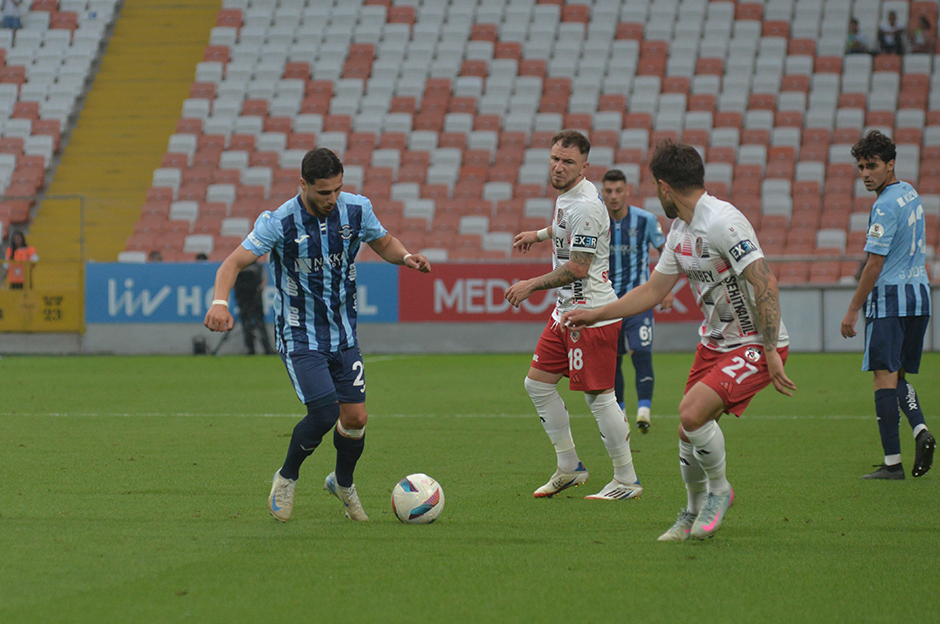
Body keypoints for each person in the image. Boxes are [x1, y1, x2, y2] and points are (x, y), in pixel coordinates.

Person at [563, 140, 796, 541]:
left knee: (691, 414)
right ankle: (690, 511)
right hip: (714, 343)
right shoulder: (680, 229)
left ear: (664, 186)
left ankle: (720, 492)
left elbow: (765, 281)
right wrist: (595, 314)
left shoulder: (723, 221)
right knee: (687, 431)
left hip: (755, 342)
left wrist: (772, 350)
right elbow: (653, 291)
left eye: (656, 186)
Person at [204, 148, 431, 522]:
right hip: (299, 334)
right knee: (325, 411)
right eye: (324, 192)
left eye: (337, 190)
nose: (332, 199)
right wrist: (219, 302)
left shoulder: (356, 209)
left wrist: (406, 257)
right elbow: (233, 262)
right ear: (303, 185)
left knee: (356, 418)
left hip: (344, 333)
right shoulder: (278, 222)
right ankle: (287, 476)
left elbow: (383, 241)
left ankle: (342, 484)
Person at [505, 130, 642, 501]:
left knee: (599, 398)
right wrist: (538, 233)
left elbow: (579, 268)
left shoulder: (586, 206)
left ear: (585, 166)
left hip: (591, 314)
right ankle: (569, 468)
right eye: (554, 158)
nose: (558, 166)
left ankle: (626, 480)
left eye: (567, 162)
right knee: (536, 384)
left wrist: (532, 283)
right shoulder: (569, 198)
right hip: (564, 313)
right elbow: (564, 228)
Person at [840, 130, 935, 480]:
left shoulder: (883, 205)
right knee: (898, 377)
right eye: (861, 167)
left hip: (890, 301)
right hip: (919, 298)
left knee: (883, 378)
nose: (866, 173)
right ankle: (920, 430)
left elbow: (874, 264)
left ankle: (892, 463)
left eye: (873, 166)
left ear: (890, 164)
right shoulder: (909, 192)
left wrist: (853, 309)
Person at [602, 168, 674, 434]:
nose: (613, 196)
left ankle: (644, 411)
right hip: (606, 303)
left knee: (641, 353)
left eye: (618, 190)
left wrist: (666, 288)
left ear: (627, 191)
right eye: (608, 191)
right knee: (613, 360)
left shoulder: (645, 220)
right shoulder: (597, 221)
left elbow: (667, 253)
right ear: (602, 192)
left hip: (639, 301)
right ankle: (620, 414)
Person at [233, 261, 276, 355]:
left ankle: (252, 349)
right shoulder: (258, 267)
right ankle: (265, 348)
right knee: (259, 325)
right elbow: (264, 281)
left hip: (247, 301)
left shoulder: (242, 266)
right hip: (252, 300)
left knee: (250, 324)